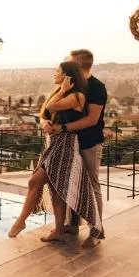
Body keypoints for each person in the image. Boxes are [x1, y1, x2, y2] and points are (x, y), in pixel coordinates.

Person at [8, 61, 104, 242]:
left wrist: (61, 90)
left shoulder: (77, 97)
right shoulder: (60, 93)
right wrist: (45, 123)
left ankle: (21, 221)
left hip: (65, 146)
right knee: (55, 187)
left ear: (68, 76)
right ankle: (59, 229)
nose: (54, 74)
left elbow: (52, 107)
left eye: (57, 72)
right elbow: (45, 112)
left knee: (34, 181)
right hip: (53, 143)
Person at [45, 49, 107, 248]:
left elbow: (92, 119)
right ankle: (72, 224)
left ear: (78, 65)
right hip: (69, 144)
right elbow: (48, 109)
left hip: (88, 143)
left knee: (91, 185)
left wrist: (62, 128)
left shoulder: (96, 88)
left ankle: (96, 231)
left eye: (70, 63)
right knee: (70, 183)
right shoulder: (72, 86)